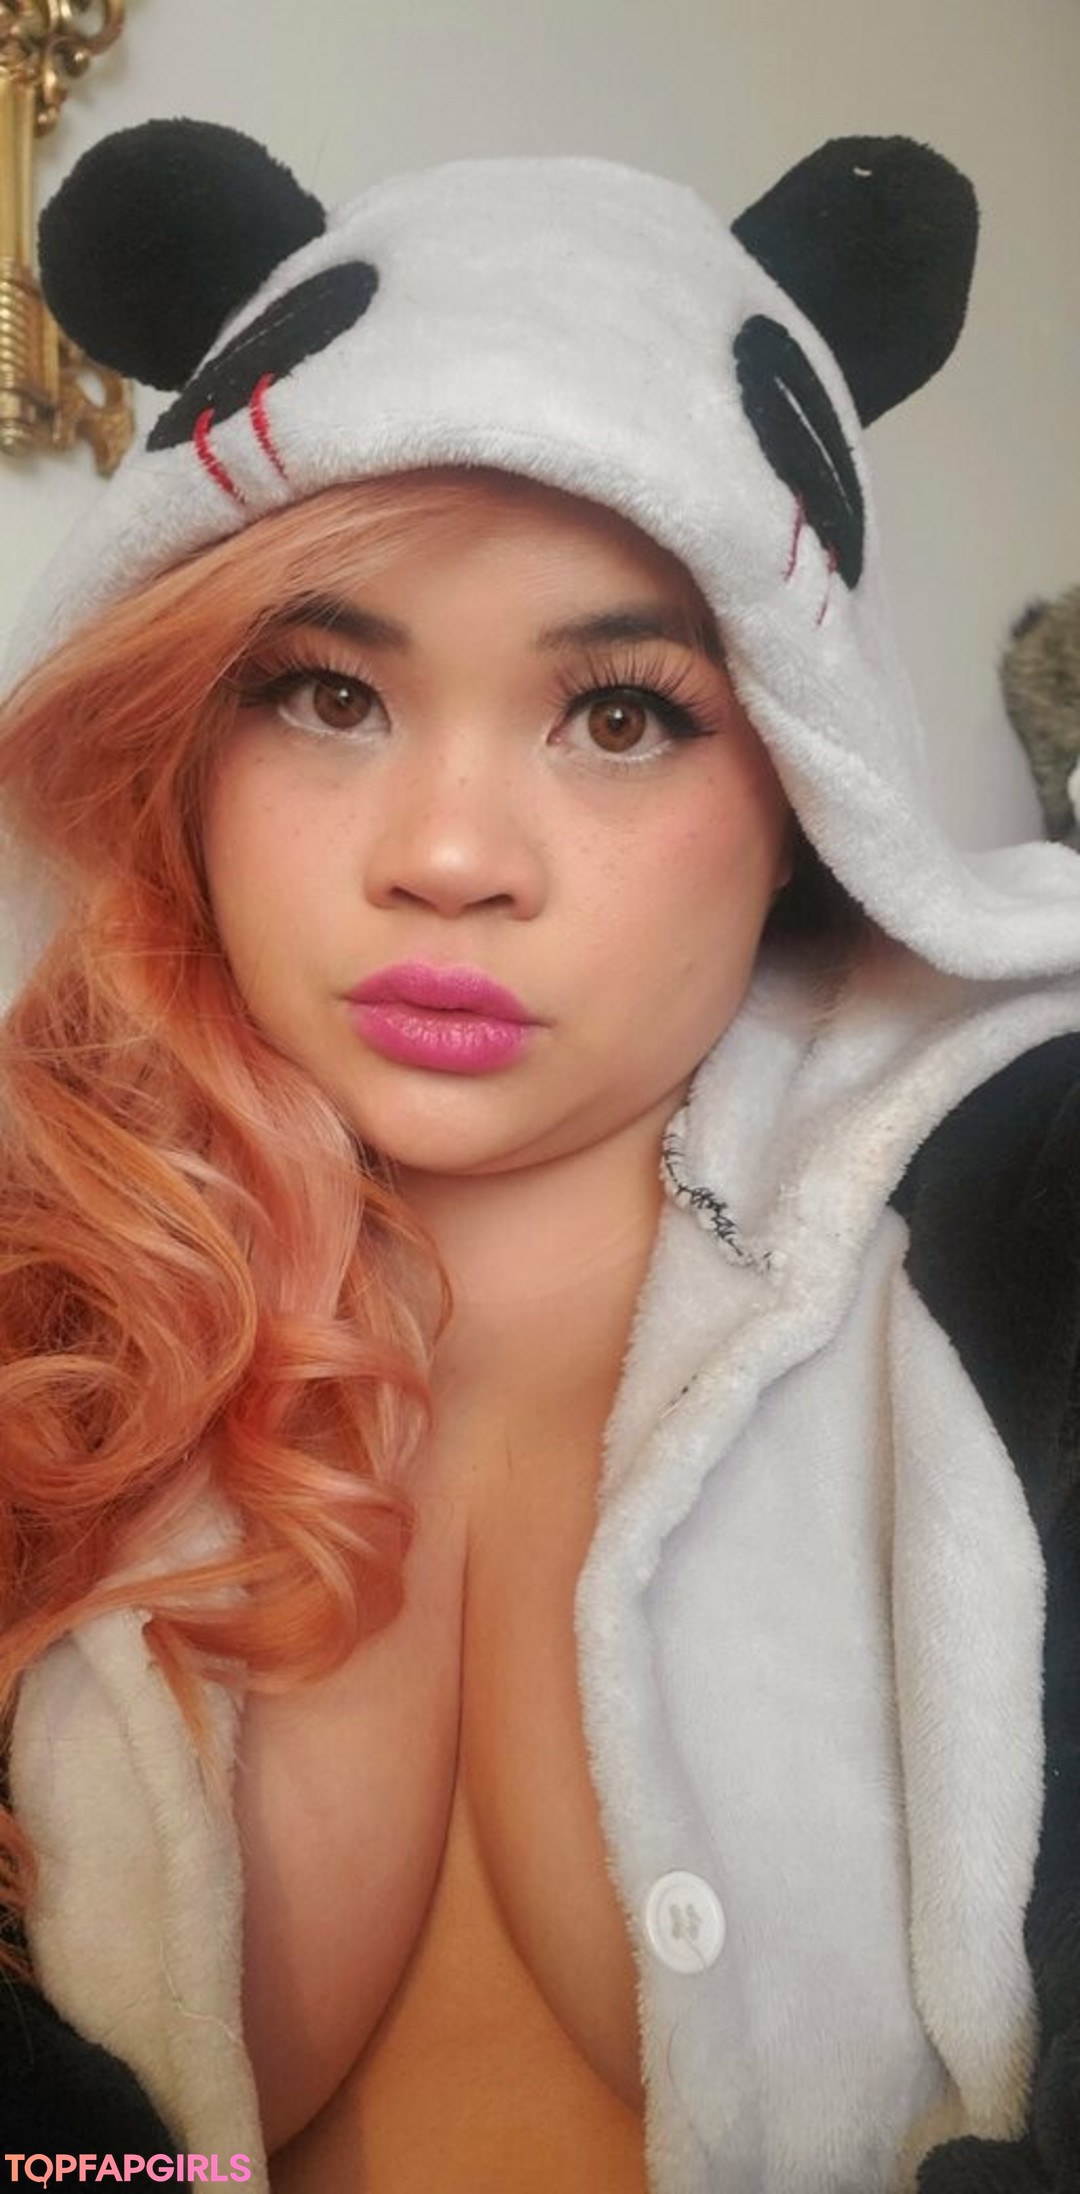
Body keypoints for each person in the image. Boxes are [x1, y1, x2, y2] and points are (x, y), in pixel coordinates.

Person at [1, 118, 1079, 2194]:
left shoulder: (1028, 1238)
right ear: (184, 738)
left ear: (807, 777)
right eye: (327, 691)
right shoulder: (53, 1297)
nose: (450, 856)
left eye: (622, 714)